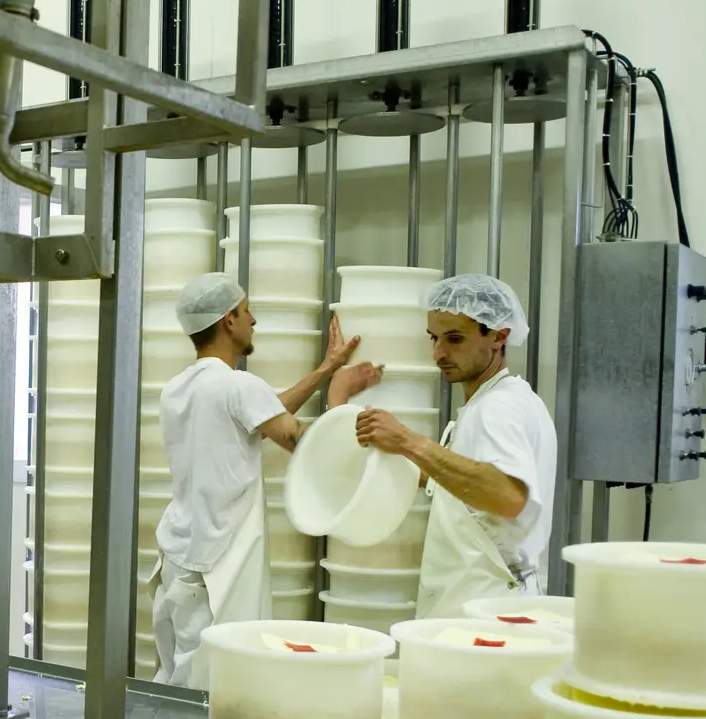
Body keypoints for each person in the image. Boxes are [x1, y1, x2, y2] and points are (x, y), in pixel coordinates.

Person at [150, 272, 383, 686]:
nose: (253, 320)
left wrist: (325, 368)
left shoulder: (179, 389)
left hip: (179, 556)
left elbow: (258, 413)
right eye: (246, 312)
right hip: (218, 567)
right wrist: (339, 398)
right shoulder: (237, 386)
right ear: (228, 321)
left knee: (177, 678)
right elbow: (301, 443)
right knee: (219, 688)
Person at [354, 274, 557, 618]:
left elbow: (509, 498)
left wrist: (408, 441)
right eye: (434, 338)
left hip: (488, 608)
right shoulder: (493, 403)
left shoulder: (498, 409)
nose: (438, 354)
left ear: (498, 336)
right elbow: (466, 486)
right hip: (476, 600)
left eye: (454, 339)